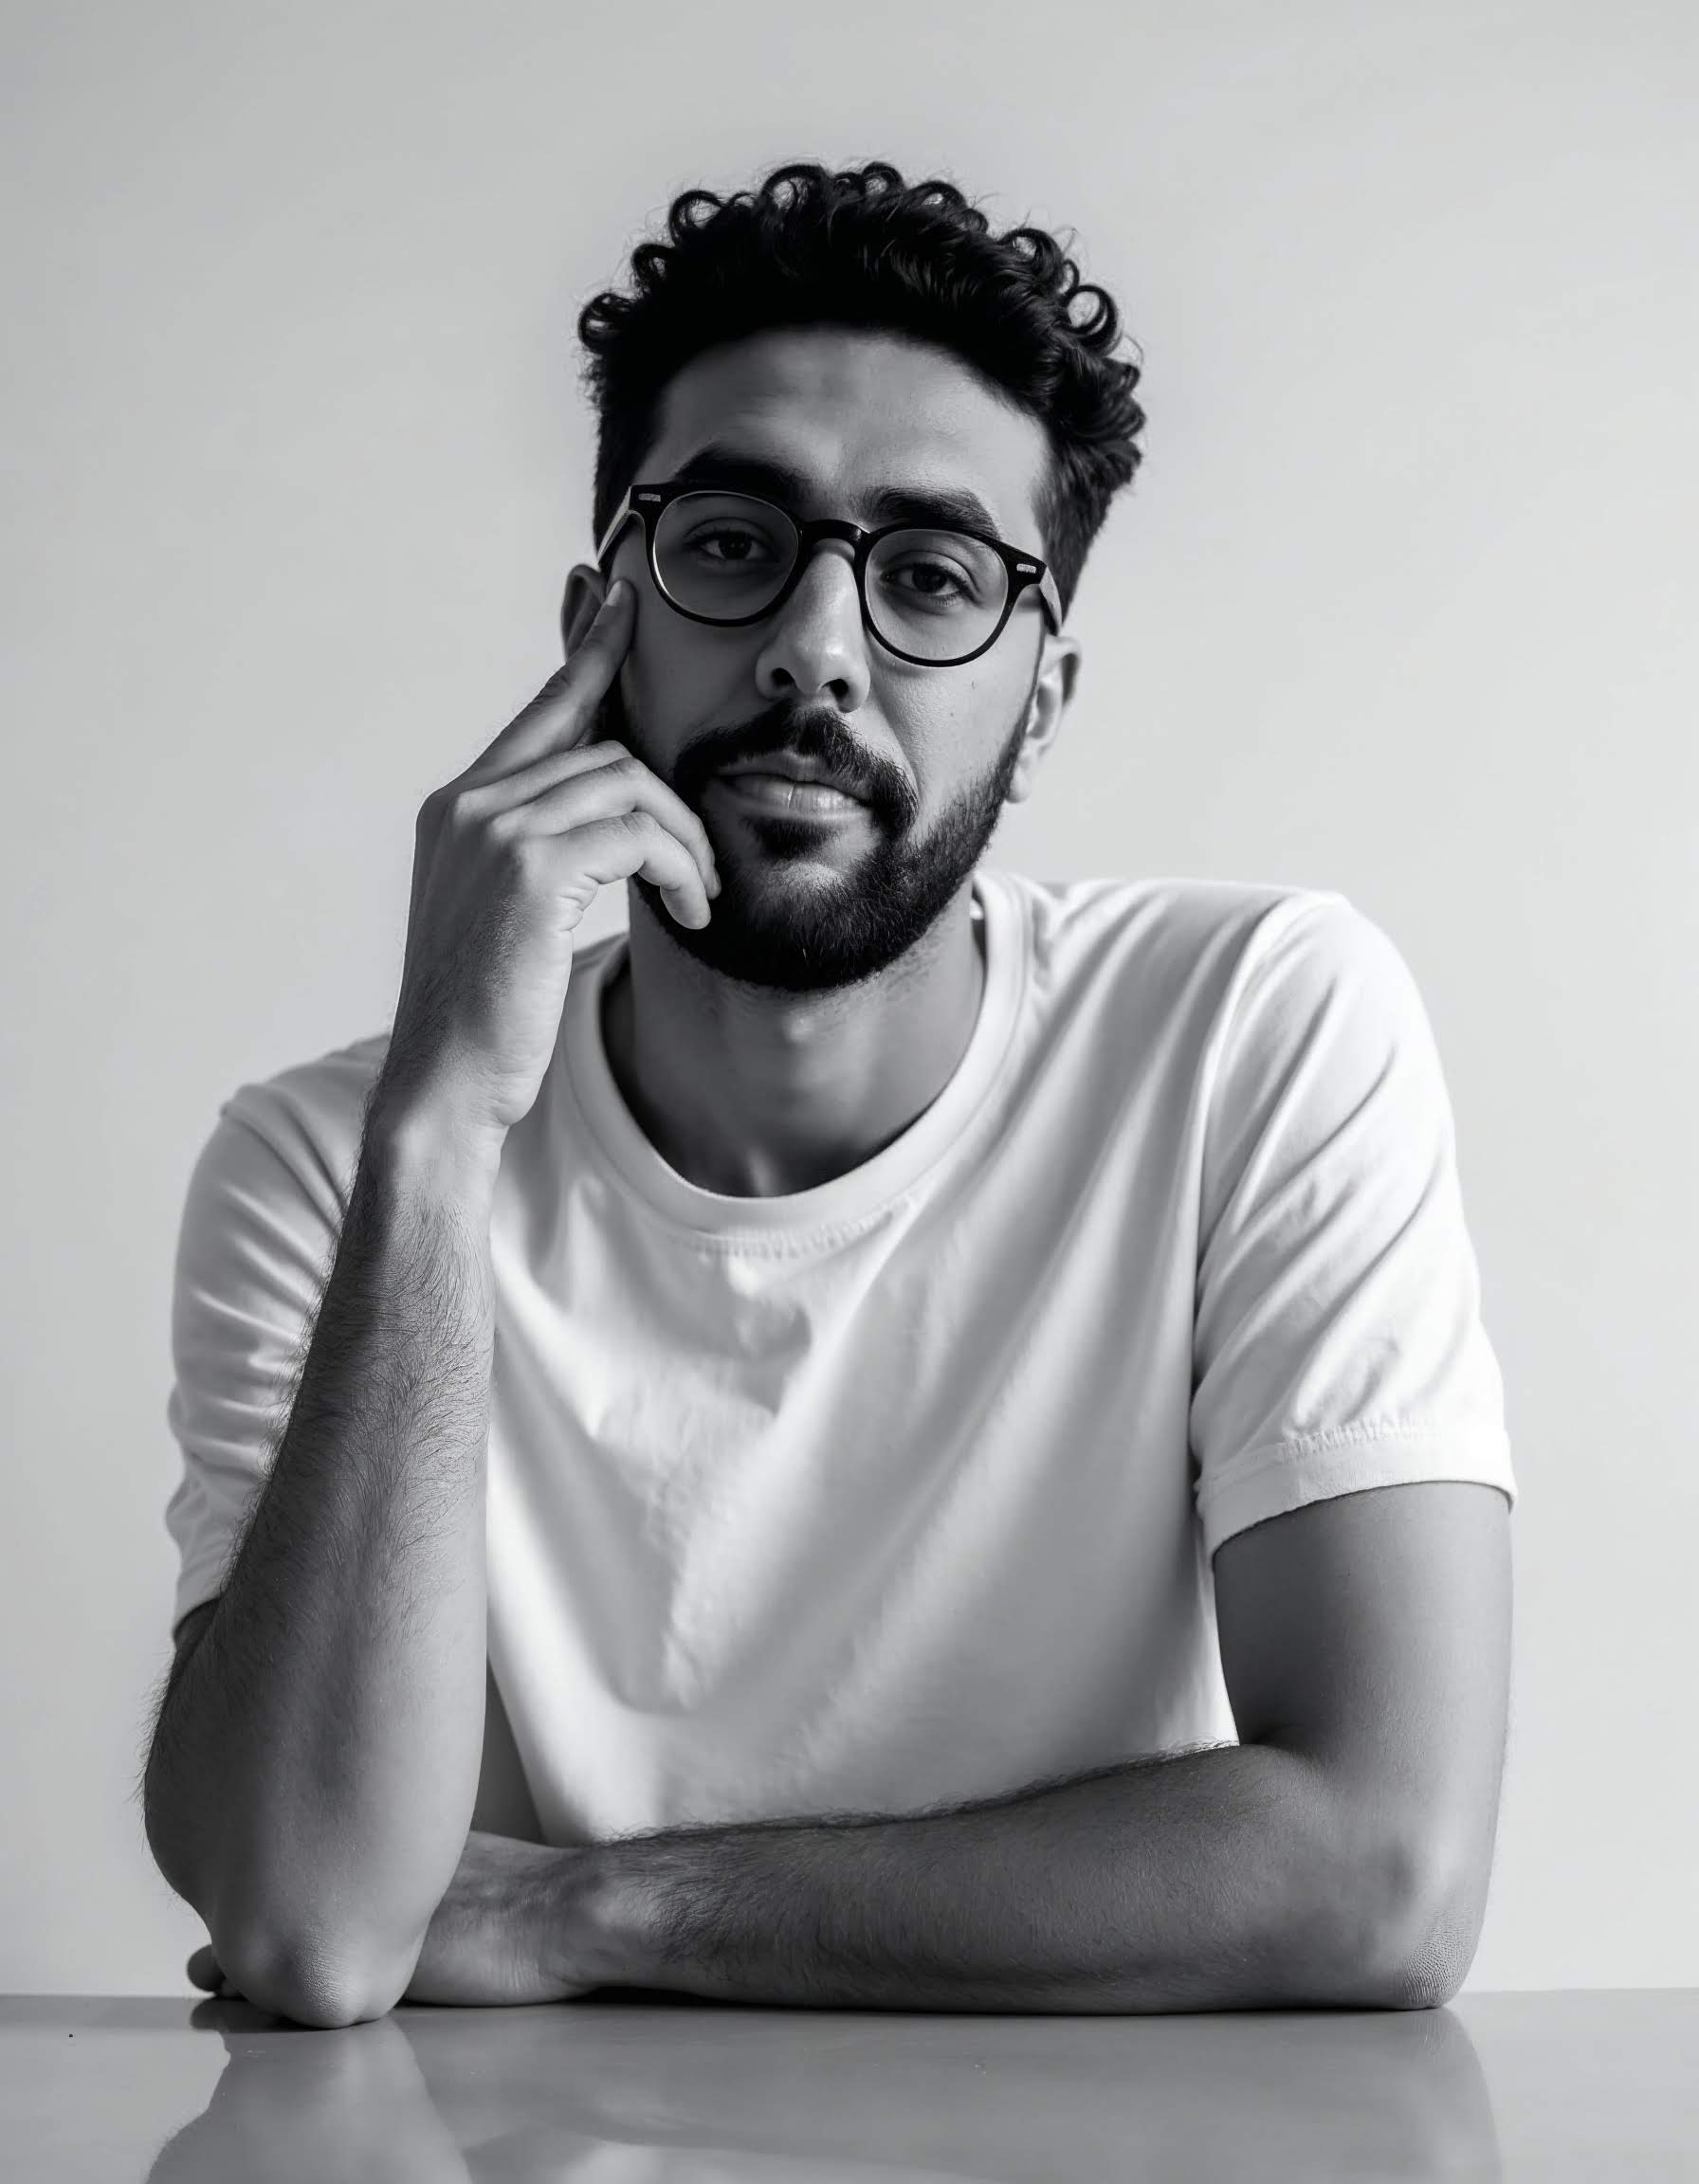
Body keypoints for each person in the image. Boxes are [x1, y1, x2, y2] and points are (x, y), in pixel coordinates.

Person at [142, 159, 1516, 2027]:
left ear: (1041, 699)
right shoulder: (334, 1164)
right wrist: (443, 1128)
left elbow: (1381, 1873)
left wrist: (591, 1914)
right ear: (595, 624)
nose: (815, 647)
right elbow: (310, 1925)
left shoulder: (1249, 1029)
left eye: (932, 578)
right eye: (729, 543)